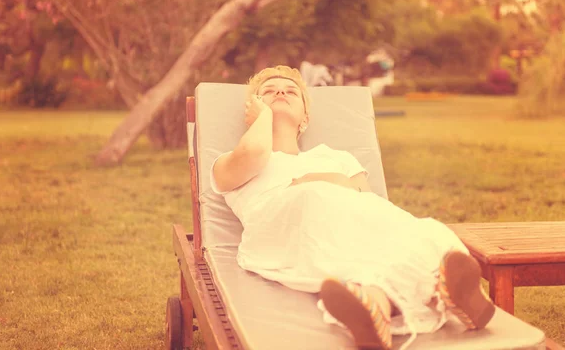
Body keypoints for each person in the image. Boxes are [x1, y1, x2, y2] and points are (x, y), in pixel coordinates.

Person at [210, 66, 495, 350]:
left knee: (411, 229)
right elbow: (255, 152)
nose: (281, 92)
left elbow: (372, 209)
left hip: (345, 224)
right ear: (253, 112)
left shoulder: (335, 157)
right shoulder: (229, 161)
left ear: (305, 117)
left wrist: (321, 179)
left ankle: (378, 305)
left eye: (291, 91)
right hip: (285, 230)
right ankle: (441, 292)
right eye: (268, 92)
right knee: (315, 198)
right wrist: (265, 120)